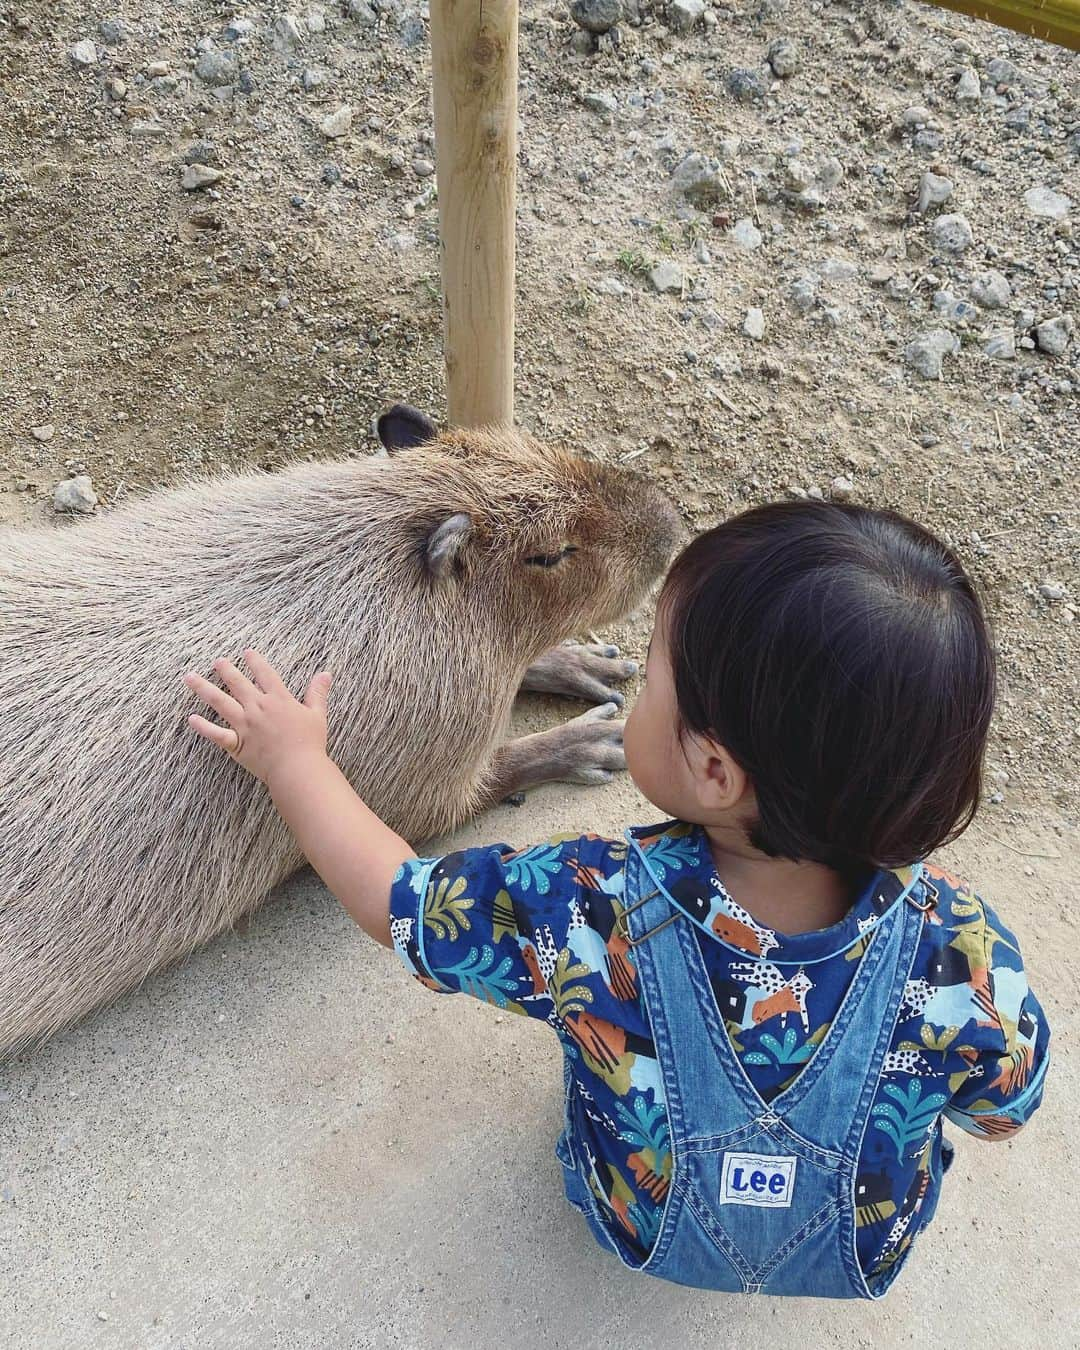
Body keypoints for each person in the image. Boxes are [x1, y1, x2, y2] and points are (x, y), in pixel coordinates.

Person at [184, 499, 1049, 1299]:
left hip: (637, 1222)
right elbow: (1005, 1110)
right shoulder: (964, 948)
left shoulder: (586, 902)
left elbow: (398, 903)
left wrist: (294, 763)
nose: (637, 686)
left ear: (713, 770)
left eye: (653, 676)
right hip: (860, 1252)